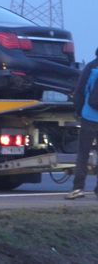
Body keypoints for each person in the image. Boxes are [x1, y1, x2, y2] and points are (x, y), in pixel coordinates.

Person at [65, 48, 98, 200]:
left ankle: (78, 188)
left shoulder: (91, 67)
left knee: (83, 154)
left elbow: (80, 91)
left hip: (89, 117)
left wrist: (79, 111)